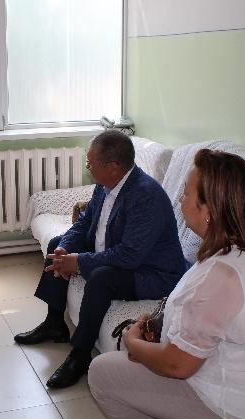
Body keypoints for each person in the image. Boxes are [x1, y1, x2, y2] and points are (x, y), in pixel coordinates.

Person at [88, 149, 245, 419]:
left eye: (187, 193)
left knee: (102, 373)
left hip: (239, 413)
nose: (181, 199)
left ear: (209, 211)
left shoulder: (220, 276)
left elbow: (176, 366)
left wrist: (133, 343)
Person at [14, 130, 186, 388]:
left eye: (90, 163)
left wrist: (79, 262)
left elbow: (130, 255)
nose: (88, 167)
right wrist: (65, 249)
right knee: (56, 244)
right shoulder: (105, 185)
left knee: (101, 278)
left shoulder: (146, 196)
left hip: (151, 271)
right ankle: (54, 323)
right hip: (118, 251)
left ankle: (80, 356)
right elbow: (84, 222)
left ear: (113, 166)